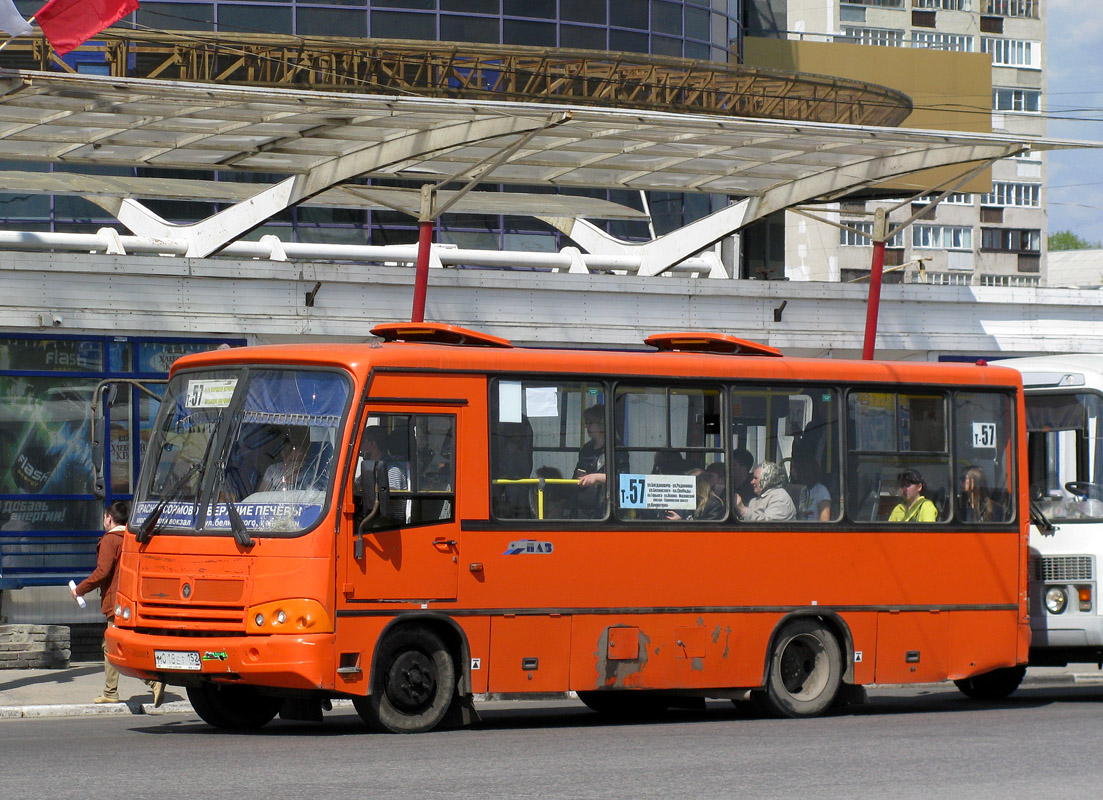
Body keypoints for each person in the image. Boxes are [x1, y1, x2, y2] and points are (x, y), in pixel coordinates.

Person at [71, 501, 165, 707]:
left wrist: (80, 589)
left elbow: (102, 572)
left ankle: (149, 682)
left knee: (115, 647)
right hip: (135, 601)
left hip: (117, 602)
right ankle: (111, 690)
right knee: (115, 645)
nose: (103, 521)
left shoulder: (110, 540)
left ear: (109, 518)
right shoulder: (134, 539)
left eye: (104, 517)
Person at [573, 404, 627, 518]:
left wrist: (595, 478)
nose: (586, 427)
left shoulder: (617, 448)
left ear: (602, 424)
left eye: (590, 423)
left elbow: (623, 479)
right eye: (586, 423)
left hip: (605, 511)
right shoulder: (586, 449)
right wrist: (581, 478)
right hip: (582, 510)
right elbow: (575, 475)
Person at [790, 453, 832, 522]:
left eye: (795, 468)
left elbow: (825, 522)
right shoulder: (793, 490)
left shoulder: (821, 490)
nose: (792, 472)